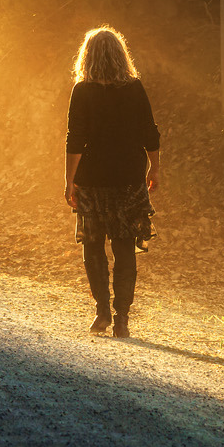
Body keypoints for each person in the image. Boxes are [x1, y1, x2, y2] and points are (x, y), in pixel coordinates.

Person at [64, 26, 160, 337]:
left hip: (92, 180)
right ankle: (122, 319)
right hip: (128, 179)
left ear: (87, 56)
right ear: (121, 55)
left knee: (93, 246)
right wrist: (155, 168)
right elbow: (149, 131)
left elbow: (75, 139)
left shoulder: (82, 90)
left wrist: (69, 180)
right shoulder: (134, 88)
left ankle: (102, 311)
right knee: (124, 247)